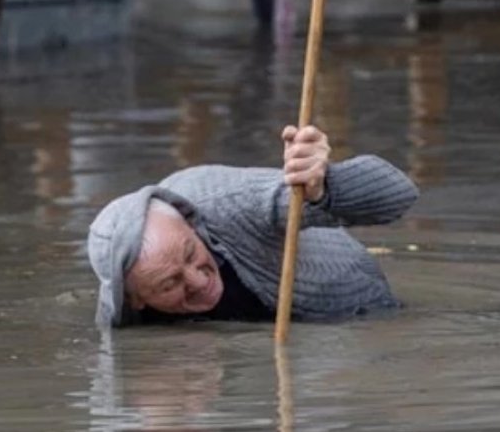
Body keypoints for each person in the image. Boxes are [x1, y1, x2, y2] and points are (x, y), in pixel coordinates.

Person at [86, 124, 419, 327]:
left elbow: (401, 196)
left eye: (190, 254)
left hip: (353, 307)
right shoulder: (122, 308)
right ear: (135, 300)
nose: (197, 280)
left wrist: (325, 186)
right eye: (169, 283)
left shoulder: (230, 200)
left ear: (189, 222)